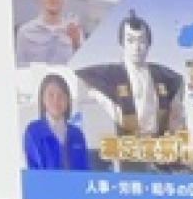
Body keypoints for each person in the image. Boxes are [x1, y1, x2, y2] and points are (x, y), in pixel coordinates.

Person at [77, 10, 186, 139]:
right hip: (125, 145)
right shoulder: (107, 75)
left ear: (149, 44)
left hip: (158, 145)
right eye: (130, 41)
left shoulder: (165, 76)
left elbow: (176, 119)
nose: (137, 47)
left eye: (142, 41)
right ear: (122, 44)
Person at [15, 0, 83, 67]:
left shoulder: (75, 33)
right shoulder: (24, 33)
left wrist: (76, 44)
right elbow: (20, 72)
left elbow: (82, 70)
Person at [23, 73, 89, 170]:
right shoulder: (34, 131)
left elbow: (85, 169)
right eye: (51, 95)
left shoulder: (77, 134)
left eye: (61, 95)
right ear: (43, 99)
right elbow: (35, 170)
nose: (56, 100)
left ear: (68, 100)